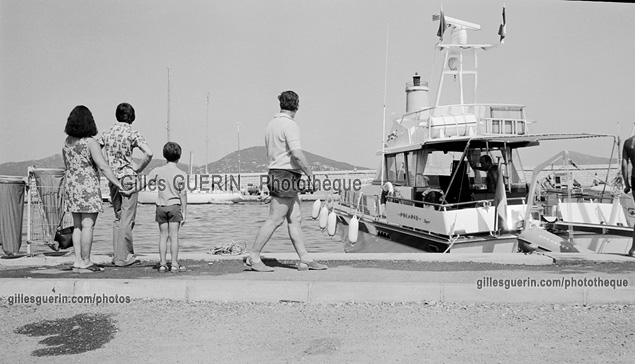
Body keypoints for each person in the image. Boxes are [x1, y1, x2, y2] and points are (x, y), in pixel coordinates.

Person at [245, 90, 327, 272]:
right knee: (275, 219)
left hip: (281, 173)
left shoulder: (271, 125)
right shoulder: (289, 125)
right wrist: (311, 174)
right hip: (285, 175)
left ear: (280, 104)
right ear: (297, 105)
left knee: (295, 218)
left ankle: (305, 258)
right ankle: (254, 256)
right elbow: (296, 154)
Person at [62, 105, 131, 273]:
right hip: (87, 186)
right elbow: (103, 166)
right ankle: (86, 261)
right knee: (88, 225)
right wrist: (118, 183)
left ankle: (78, 261)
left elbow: (67, 165)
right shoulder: (90, 142)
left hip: (71, 185)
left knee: (77, 225)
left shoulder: (67, 143)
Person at [97, 102, 153, 267]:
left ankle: (117, 255)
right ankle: (124, 258)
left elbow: (94, 150)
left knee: (118, 217)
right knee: (128, 219)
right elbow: (149, 153)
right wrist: (138, 167)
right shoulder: (132, 133)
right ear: (132, 117)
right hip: (128, 178)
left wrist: (105, 166)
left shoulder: (106, 133)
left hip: (112, 179)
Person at [146, 142, 188, 273]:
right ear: (179, 156)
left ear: (165, 155)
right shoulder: (181, 174)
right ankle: (174, 264)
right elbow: (183, 194)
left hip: (161, 206)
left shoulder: (157, 171)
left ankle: (163, 263)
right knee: (174, 236)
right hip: (174, 206)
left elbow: (145, 182)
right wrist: (185, 212)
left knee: (163, 236)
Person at [620, 135, 635, 257]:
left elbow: (624, 165)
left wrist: (627, 184)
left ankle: (633, 249)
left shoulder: (629, 142)